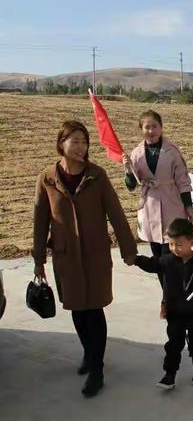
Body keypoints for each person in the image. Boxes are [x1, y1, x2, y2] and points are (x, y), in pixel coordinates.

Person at [32, 120, 137, 398]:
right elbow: (40, 219)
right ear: (61, 143)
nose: (81, 147)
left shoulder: (97, 175)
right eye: (75, 141)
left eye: (84, 141)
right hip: (66, 256)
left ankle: (97, 368)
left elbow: (115, 212)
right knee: (77, 308)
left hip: (95, 254)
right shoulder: (47, 177)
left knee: (94, 309)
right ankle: (89, 355)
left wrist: (129, 249)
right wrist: (38, 257)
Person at [130, 219, 193, 390]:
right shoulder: (168, 260)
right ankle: (169, 374)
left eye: (178, 245)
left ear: (191, 243)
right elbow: (152, 264)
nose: (174, 248)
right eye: (171, 244)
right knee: (173, 345)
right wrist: (136, 260)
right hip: (175, 312)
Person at [122, 110, 193, 259]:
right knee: (157, 255)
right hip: (149, 203)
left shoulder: (172, 151)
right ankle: (164, 282)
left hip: (172, 203)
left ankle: (174, 282)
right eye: (147, 127)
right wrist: (128, 171)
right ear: (141, 129)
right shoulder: (136, 153)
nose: (151, 131)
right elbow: (131, 186)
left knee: (172, 251)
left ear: (161, 127)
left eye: (154, 126)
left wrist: (188, 206)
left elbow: (183, 181)